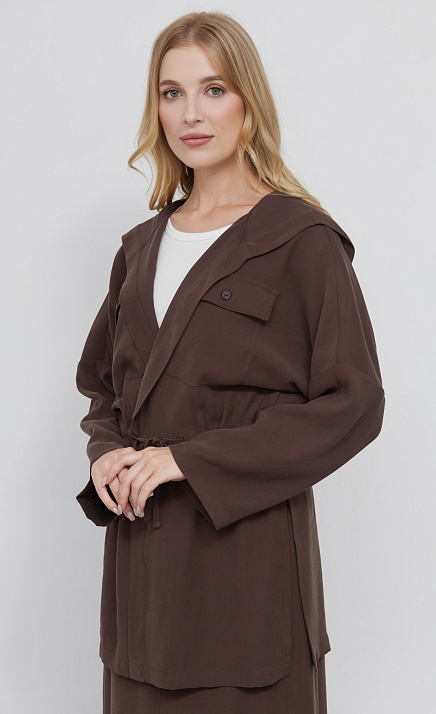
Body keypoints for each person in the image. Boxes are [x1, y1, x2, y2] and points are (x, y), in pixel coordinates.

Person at [76, 10, 385, 714]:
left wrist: (189, 460)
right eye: (172, 92)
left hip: (247, 580)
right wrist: (107, 453)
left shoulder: (301, 239)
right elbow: (105, 390)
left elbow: (354, 403)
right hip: (140, 582)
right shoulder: (139, 249)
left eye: (213, 90)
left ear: (249, 102)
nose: (191, 113)